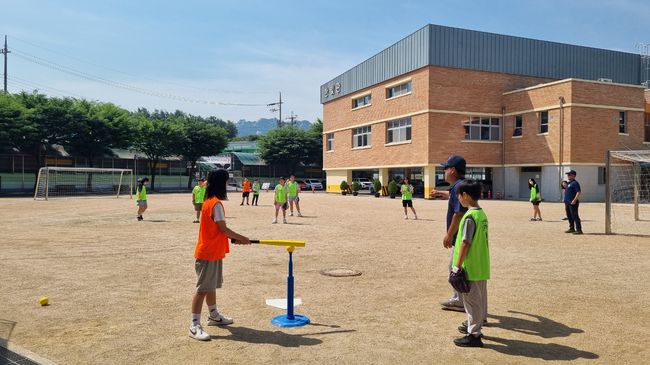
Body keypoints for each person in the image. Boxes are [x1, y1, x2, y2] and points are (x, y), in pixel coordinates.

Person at [189, 169, 251, 341]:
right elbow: (223, 228)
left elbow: (218, 230)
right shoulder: (215, 203)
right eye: (225, 181)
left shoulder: (209, 201)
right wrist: (242, 238)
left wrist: (234, 238)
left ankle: (214, 315)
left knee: (211, 286)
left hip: (213, 252)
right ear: (220, 183)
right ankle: (194, 325)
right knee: (202, 289)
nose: (226, 184)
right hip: (208, 253)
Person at [452, 179, 490, 347]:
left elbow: (465, 242)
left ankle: (474, 334)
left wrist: (456, 266)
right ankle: (476, 324)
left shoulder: (469, 217)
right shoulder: (481, 214)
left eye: (459, 195)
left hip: (470, 267)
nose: (458, 198)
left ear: (465, 195)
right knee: (479, 299)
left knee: (471, 302)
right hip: (481, 265)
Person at [432, 155, 468, 312]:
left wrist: (449, 234)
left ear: (452, 170)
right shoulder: (461, 185)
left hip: (461, 237)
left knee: (454, 267)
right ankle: (460, 299)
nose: (444, 171)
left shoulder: (457, 187)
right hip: (464, 236)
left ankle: (459, 300)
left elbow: (458, 213)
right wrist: (441, 193)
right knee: (457, 266)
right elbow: (456, 198)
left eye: (445, 168)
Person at [564, 170, 583, 234]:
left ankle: (579, 230)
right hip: (567, 202)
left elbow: (578, 192)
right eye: (568, 175)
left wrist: (574, 200)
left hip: (573, 202)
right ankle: (572, 228)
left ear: (574, 175)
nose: (568, 176)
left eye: (569, 174)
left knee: (575, 216)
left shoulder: (575, 183)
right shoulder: (569, 183)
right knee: (569, 216)